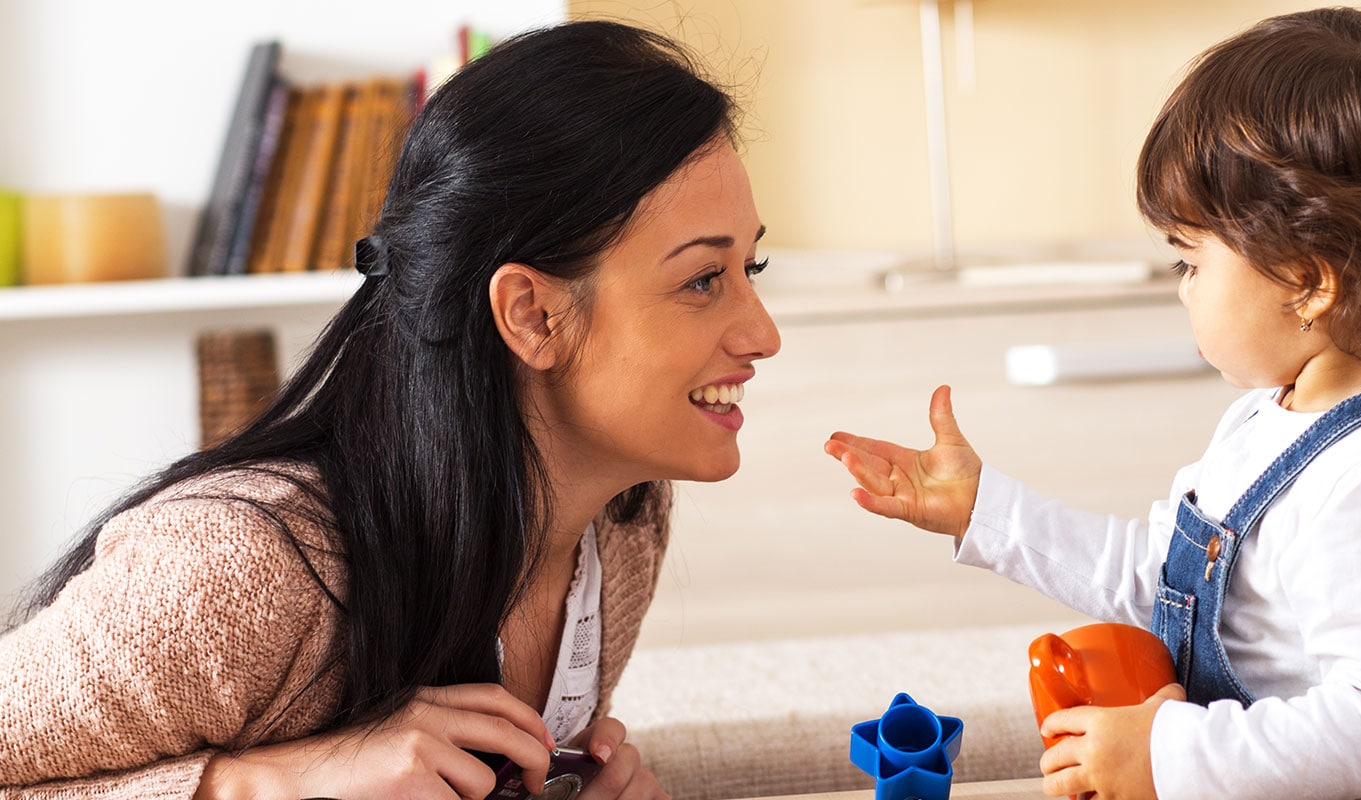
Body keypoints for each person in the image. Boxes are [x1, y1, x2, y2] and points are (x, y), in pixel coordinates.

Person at [0, 19, 779, 800]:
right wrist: (259, 789)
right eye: (704, 279)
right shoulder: (242, 568)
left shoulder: (621, 525)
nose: (763, 333)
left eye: (752, 266)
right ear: (532, 315)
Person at [824, 8, 1361, 800]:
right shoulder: (1276, 417)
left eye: (1189, 261)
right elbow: (1162, 578)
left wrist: (1169, 753)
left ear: (1308, 280)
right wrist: (983, 510)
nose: (1183, 289)